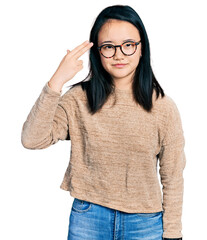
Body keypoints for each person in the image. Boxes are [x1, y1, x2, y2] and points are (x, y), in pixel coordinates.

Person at [21, 4, 186, 240]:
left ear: (142, 49)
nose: (119, 54)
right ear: (97, 52)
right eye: (109, 47)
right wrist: (56, 80)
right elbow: (32, 139)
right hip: (89, 218)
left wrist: (173, 233)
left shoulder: (163, 107)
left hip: (145, 223)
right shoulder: (78, 99)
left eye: (128, 45)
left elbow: (172, 176)